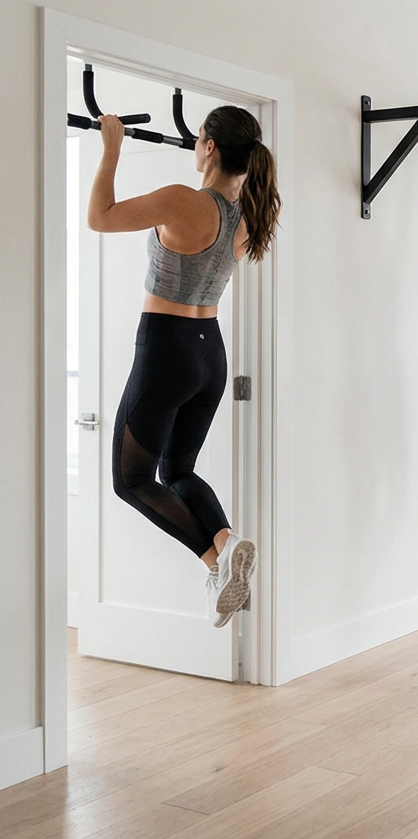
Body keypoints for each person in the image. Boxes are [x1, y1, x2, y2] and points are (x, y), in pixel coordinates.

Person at [88, 107, 280, 627]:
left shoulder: (183, 200)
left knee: (130, 481)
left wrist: (111, 148)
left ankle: (218, 557)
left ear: (210, 146)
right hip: (209, 354)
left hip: (166, 349)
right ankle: (223, 548)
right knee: (177, 471)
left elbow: (99, 217)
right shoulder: (250, 215)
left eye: (198, 138)